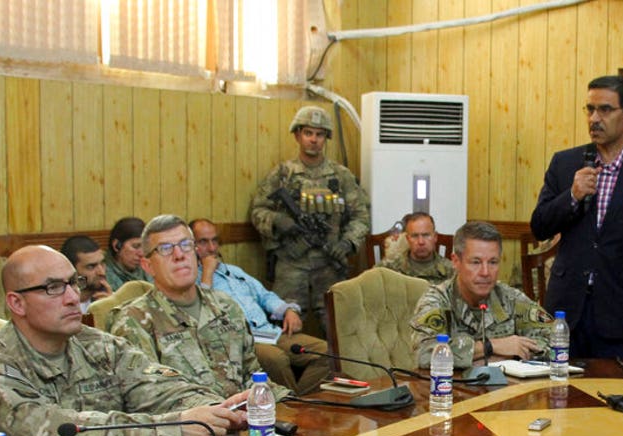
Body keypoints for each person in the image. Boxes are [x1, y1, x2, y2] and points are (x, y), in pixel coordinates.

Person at [0, 246, 245, 436]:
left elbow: (159, 386)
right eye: (54, 288)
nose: (72, 297)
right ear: (17, 303)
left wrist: (215, 411)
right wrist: (173, 427)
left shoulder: (98, 346)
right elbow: (53, 429)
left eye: (73, 283)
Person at [530, 74, 623, 359]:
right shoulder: (565, 163)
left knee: (618, 398)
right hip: (564, 314)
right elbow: (539, 226)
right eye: (590, 109)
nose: (594, 119)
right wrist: (571, 196)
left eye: (605, 110)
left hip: (621, 316)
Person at [108, 215, 290, 400]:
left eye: (185, 244)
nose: (179, 255)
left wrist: (288, 402)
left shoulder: (226, 306)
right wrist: (219, 412)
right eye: (165, 249)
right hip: (191, 425)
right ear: (148, 266)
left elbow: (252, 374)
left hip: (246, 418)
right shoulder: (134, 321)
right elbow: (148, 395)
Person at [250, 105, 371, 330]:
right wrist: (278, 221)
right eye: (308, 133)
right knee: (283, 326)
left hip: (329, 264)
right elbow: (258, 211)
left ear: (326, 138)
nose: (314, 140)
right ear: (297, 135)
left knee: (340, 327)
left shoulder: (340, 176)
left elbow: (361, 216)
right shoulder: (282, 175)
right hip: (291, 263)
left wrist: (346, 243)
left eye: (320, 134)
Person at [191, 218, 331, 395]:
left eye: (215, 240)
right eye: (203, 242)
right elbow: (202, 310)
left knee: (326, 352)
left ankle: (299, 400)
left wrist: (288, 310)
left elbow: (265, 296)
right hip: (241, 340)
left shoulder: (234, 271)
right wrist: (207, 273)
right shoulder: (192, 278)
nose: (211, 248)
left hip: (269, 332)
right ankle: (293, 404)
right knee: (277, 359)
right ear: (191, 245)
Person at [410, 221, 553, 368]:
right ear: (456, 261)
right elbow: (424, 354)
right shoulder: (437, 299)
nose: (485, 272)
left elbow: (555, 339)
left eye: (493, 262)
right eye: (476, 262)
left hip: (505, 389)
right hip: (451, 389)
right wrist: (490, 347)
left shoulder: (511, 299)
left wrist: (512, 355)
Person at [380, 211, 453, 283]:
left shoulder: (450, 271)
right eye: (414, 236)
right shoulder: (389, 268)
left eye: (426, 235)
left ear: (435, 237)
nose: (421, 242)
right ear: (407, 239)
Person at [60, 234, 112, 313]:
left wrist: (111, 309)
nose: (102, 272)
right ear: (71, 271)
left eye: (102, 263)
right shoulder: (59, 306)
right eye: (91, 266)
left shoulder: (109, 298)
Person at [104, 216, 151, 290]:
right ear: (117, 246)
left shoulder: (147, 266)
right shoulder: (103, 273)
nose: (142, 253)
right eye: (135, 246)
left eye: (145, 246)